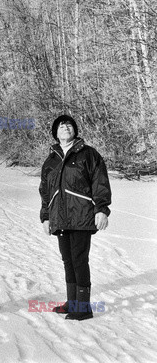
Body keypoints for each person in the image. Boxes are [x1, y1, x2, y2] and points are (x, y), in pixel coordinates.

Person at [39, 115, 111, 320]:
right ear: (56, 133)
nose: (65, 127)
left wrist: (101, 209)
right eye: (61, 126)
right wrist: (45, 216)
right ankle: (72, 302)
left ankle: (83, 307)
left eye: (69, 125)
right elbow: (45, 190)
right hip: (59, 217)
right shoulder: (51, 160)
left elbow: (100, 182)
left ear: (75, 130)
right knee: (67, 260)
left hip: (82, 215)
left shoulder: (88, 154)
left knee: (79, 260)